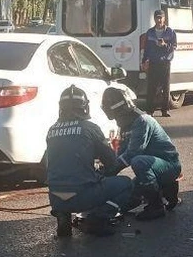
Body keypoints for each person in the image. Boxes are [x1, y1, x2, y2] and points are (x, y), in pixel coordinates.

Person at [45, 85, 135, 237]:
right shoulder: (90, 128)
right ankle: (98, 218)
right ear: (85, 107)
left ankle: (63, 215)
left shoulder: (51, 130)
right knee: (126, 184)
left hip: (55, 197)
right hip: (82, 195)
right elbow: (111, 163)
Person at [101, 86, 181, 221]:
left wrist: (111, 170)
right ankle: (165, 188)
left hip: (169, 166)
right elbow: (120, 154)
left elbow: (132, 153)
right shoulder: (125, 126)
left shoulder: (142, 121)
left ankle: (156, 206)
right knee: (126, 201)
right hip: (152, 167)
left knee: (138, 161)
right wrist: (107, 168)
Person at [141, 9, 177, 117]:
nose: (159, 20)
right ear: (154, 19)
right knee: (151, 87)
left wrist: (165, 45)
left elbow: (174, 46)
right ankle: (149, 111)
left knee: (166, 88)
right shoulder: (150, 32)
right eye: (157, 18)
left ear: (164, 19)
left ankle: (165, 110)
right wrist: (144, 61)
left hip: (165, 63)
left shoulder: (170, 32)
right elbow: (146, 48)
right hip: (153, 62)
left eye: (161, 17)